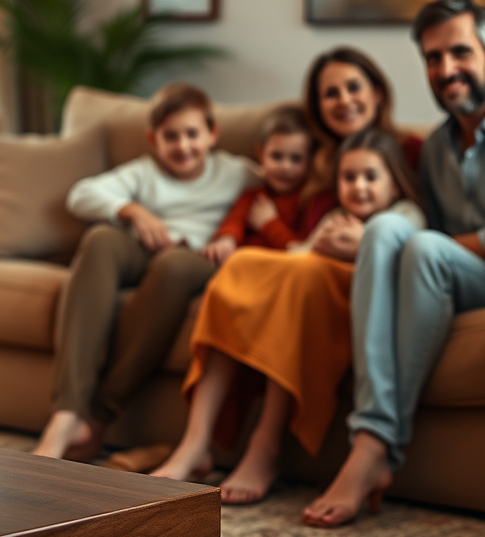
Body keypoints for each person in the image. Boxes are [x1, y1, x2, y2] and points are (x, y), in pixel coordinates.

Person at [302, 0, 485, 527]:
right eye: (433, 58)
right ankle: (370, 442)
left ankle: (374, 444)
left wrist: (428, 248)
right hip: (444, 276)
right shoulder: (434, 147)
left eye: (459, 53)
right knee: (384, 226)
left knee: (424, 244)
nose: (445, 69)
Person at [151, 129, 424, 504]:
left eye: (371, 177)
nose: (359, 187)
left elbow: (408, 264)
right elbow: (301, 253)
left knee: (302, 279)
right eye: (349, 178)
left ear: (394, 185)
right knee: (245, 263)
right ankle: (194, 442)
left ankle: (265, 447)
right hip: (307, 278)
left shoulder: (405, 214)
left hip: (349, 297)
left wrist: (362, 244)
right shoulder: (335, 216)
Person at [31, 82, 259, 459]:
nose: (183, 146)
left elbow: (286, 187)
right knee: (102, 237)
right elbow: (81, 194)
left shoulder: (236, 172)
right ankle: (67, 414)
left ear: (212, 134)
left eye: (192, 134)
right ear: (153, 139)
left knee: (173, 265)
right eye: (171, 136)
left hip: (197, 257)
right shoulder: (144, 172)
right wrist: (133, 212)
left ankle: (100, 415)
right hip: (145, 247)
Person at [203, 104, 330, 266]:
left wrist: (268, 223)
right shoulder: (254, 196)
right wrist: (226, 240)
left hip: (280, 267)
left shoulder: (308, 201)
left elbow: (300, 249)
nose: (285, 167)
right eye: (276, 156)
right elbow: (234, 221)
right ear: (261, 154)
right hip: (244, 264)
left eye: (296, 159)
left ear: (310, 162)